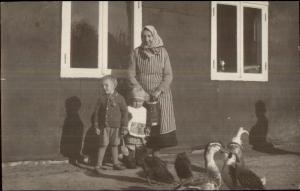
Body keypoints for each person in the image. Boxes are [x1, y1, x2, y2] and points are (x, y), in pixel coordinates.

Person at [128, 25, 178, 157]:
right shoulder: (136, 52)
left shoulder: (163, 52)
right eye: (144, 36)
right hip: (142, 94)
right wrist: (141, 91)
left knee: (159, 122)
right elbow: (131, 74)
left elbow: (168, 75)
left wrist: (159, 90)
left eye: (149, 36)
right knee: (143, 123)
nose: (147, 39)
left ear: (154, 36)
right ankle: (142, 152)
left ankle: (156, 152)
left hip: (161, 94)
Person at [92, 75, 128, 171]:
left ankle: (115, 163)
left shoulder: (120, 98)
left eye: (106, 85)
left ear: (114, 86)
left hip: (116, 127)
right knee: (103, 145)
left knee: (115, 145)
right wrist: (96, 126)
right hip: (105, 127)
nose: (104, 88)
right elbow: (96, 113)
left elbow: (125, 113)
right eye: (102, 86)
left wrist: (124, 127)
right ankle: (98, 164)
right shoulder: (101, 99)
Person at [122, 87, 149, 168]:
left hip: (141, 131)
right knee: (130, 147)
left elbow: (147, 120)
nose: (137, 103)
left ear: (143, 101)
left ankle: (139, 160)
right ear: (130, 100)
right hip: (130, 133)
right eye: (135, 101)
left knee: (140, 147)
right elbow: (125, 119)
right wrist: (125, 127)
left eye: (140, 102)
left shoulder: (144, 110)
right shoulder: (128, 109)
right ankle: (130, 160)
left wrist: (148, 127)